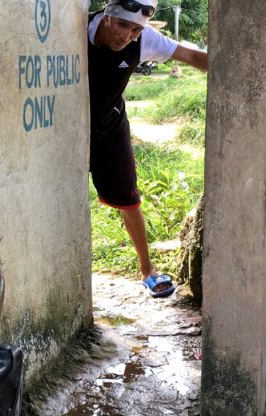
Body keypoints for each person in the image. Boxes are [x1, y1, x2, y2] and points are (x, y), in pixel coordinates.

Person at [88, 0, 208, 297]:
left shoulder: (145, 39)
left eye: (135, 30)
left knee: (128, 199)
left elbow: (191, 55)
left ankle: (147, 271)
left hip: (110, 126)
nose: (126, 36)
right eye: (122, 25)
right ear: (107, 15)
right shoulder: (76, 27)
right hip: (67, 127)